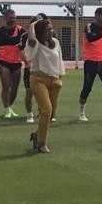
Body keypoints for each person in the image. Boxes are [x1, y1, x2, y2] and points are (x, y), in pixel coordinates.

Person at [24, 17, 65, 153]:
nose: (51, 32)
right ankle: (41, 143)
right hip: (38, 79)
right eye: (47, 30)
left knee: (51, 113)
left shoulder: (56, 43)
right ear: (40, 32)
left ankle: (36, 135)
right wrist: (34, 24)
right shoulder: (36, 44)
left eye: (51, 29)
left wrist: (59, 78)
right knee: (46, 109)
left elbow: (59, 61)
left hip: (54, 80)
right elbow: (30, 40)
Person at [0, 9, 25, 119]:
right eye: (10, 18)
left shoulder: (21, 31)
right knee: (6, 86)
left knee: (14, 88)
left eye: (14, 18)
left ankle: (9, 107)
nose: (12, 20)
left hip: (16, 62)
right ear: (5, 18)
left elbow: (27, 44)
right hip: (4, 62)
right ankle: (7, 109)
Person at [19, 13, 47, 124]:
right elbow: (22, 50)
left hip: (44, 68)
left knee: (44, 92)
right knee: (29, 91)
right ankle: (29, 114)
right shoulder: (25, 36)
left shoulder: (47, 35)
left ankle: (42, 112)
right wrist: (27, 62)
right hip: (30, 68)